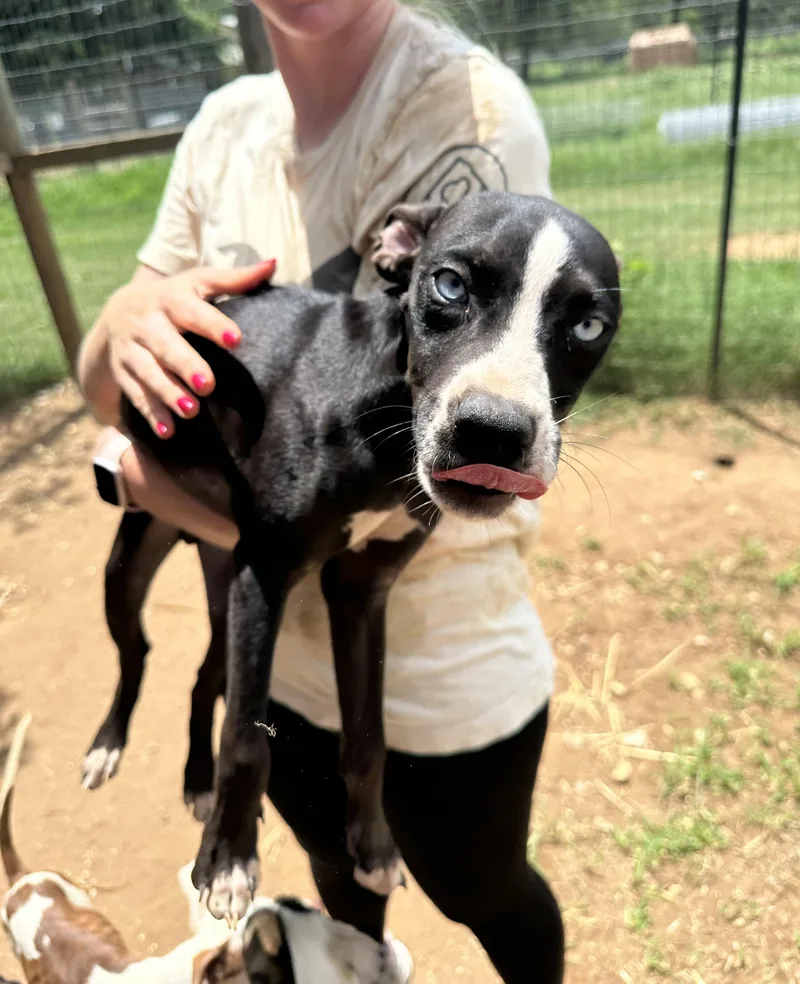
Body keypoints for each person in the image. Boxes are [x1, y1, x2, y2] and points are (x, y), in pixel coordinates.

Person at [77, 0, 564, 979]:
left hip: (431, 685)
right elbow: (101, 385)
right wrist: (121, 317)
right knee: (345, 898)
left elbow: (433, 455)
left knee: (484, 892)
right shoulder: (220, 127)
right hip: (277, 671)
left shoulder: (458, 112)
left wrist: (146, 487)